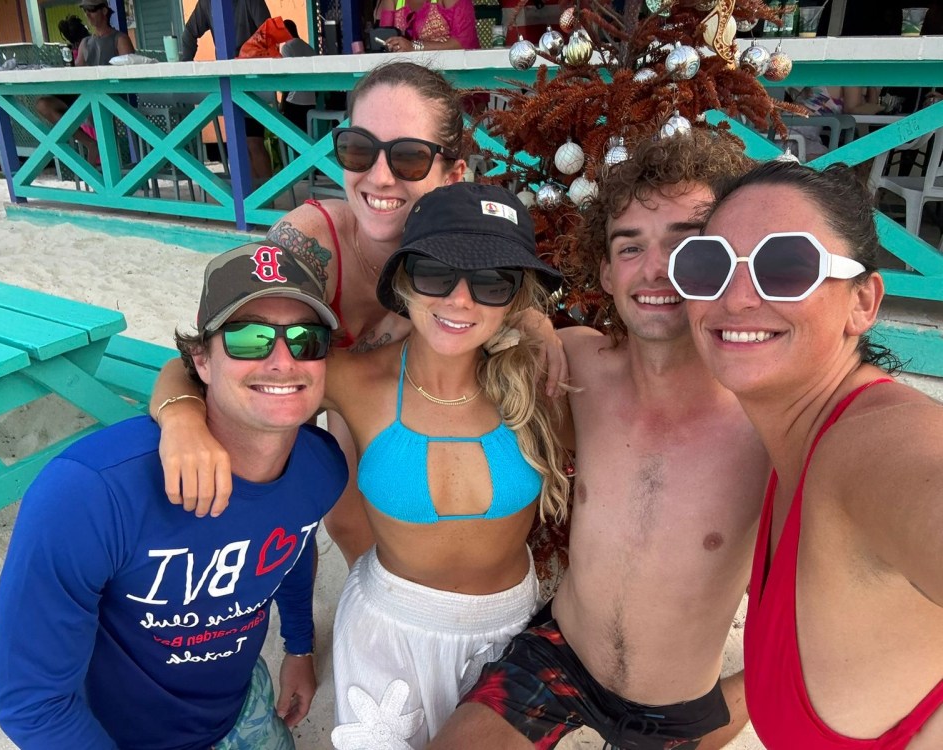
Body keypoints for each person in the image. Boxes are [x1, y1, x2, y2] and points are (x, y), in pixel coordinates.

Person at [155, 181, 570, 748]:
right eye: (435, 274)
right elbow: (200, 363)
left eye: (492, 281)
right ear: (402, 280)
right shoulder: (355, 377)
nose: (460, 300)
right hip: (389, 632)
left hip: (511, 632)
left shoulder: (543, 379)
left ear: (517, 294)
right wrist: (180, 419)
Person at [429, 130, 771, 750]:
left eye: (685, 243)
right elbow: (449, 322)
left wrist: (756, 689)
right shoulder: (579, 362)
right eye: (630, 247)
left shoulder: (766, 419)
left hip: (674, 704)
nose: (656, 268)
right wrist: (533, 318)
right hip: (559, 656)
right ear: (607, 273)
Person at [152, 61, 566, 569]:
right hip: (304, 391)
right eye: (359, 149)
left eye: (411, 157)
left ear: (454, 173)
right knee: (340, 517)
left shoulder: (471, 270)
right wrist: (180, 419)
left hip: (393, 395)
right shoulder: (308, 246)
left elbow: (521, 310)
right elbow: (209, 354)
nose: (380, 175)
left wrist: (537, 324)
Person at [0, 245, 349, 749]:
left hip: (244, 706)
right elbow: (31, 702)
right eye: (250, 338)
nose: (282, 360)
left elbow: (292, 546)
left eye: (306, 340)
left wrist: (298, 649)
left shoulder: (321, 467)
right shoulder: (90, 492)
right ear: (200, 359)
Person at [674, 161, 943, 748]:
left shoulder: (874, 449)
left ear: (863, 302)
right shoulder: (791, 442)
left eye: (787, 266)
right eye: (709, 266)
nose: (737, 297)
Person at [181, 0, 274, 181]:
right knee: (240, 143)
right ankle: (252, 201)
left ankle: (266, 202)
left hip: (253, 80)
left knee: (254, 141)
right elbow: (189, 33)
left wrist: (248, 56)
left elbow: (269, 32)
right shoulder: (207, 3)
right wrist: (186, 66)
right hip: (227, 82)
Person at [35, 0, 134, 166]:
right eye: (85, 10)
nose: (87, 14)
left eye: (92, 10)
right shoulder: (85, 42)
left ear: (104, 11)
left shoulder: (119, 38)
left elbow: (131, 73)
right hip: (85, 95)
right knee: (43, 104)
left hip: (110, 97)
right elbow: (79, 73)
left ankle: (101, 175)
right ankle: (89, 144)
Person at [375, 0, 480, 52]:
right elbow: (384, 40)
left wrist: (414, 46)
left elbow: (462, 43)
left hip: (456, 79)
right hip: (411, 78)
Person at [279, 20, 317, 133]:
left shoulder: (287, 47)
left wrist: (283, 103)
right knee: (305, 134)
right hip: (310, 100)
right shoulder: (309, 48)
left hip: (294, 99)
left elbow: (288, 77)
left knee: (290, 135)